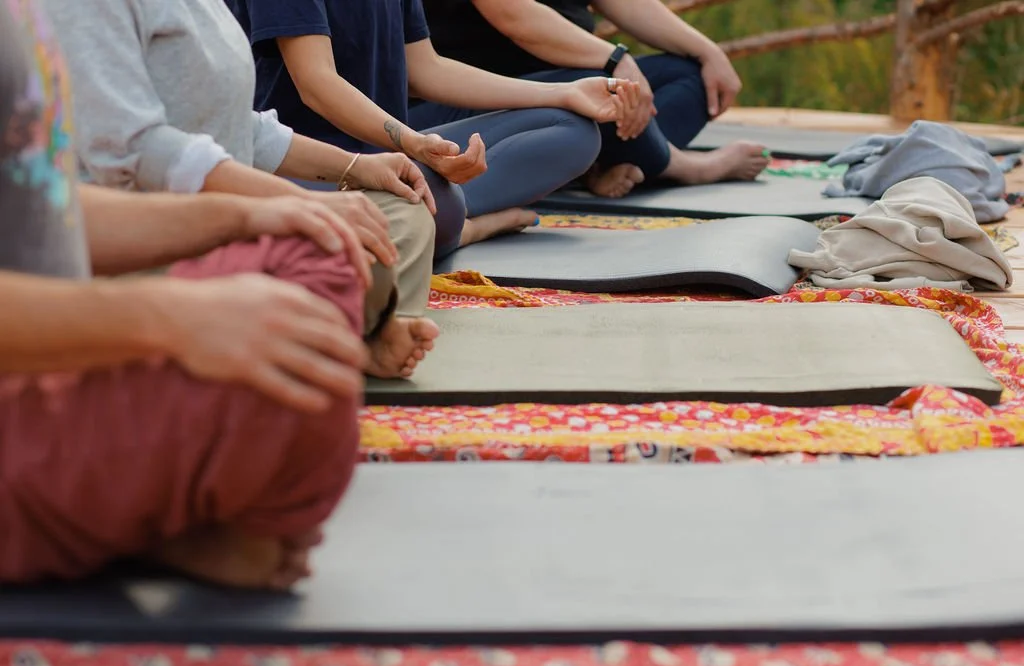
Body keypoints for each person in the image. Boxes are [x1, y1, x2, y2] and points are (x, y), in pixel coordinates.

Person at [0, 0, 372, 588]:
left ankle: (136, 509)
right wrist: (169, 317)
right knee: (296, 383)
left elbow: (45, 211)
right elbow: (135, 147)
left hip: (68, 342)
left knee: (315, 251)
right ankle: (148, 515)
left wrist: (244, 218)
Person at [42, 0, 440, 379]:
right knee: (341, 253)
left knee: (400, 210)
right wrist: (301, 204)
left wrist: (356, 167)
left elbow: (240, 125)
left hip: (229, 217)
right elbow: (135, 148)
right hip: (142, 236)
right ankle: (342, 330)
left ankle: (351, 331)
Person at [224, 0, 643, 252]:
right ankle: (463, 225)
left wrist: (564, 93)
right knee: (417, 210)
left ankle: (440, 215)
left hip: (394, 158)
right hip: (312, 165)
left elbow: (426, 70)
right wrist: (413, 144)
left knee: (573, 130)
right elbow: (318, 83)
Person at [416, 0, 770, 198]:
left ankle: (590, 168)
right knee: (600, 94)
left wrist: (709, 53)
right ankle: (682, 166)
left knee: (689, 76)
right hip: (477, 98)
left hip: (568, 85)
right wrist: (616, 61)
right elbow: (516, 18)